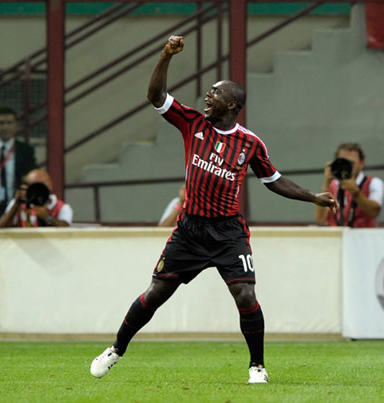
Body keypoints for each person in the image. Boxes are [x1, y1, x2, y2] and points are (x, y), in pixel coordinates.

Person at [90, 36, 339, 383]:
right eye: (209, 91)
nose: (208, 95)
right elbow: (156, 97)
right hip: (189, 230)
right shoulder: (193, 123)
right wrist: (165, 55)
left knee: (245, 294)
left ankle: (257, 368)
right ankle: (115, 349)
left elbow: (274, 180)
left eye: (216, 92)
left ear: (233, 104)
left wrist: (314, 196)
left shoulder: (250, 143)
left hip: (228, 233)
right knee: (155, 293)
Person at [315, 142, 382, 227]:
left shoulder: (373, 183)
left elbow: (373, 213)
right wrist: (326, 185)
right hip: (337, 237)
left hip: (364, 237)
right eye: (342, 162)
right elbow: (320, 220)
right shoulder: (332, 185)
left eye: (351, 163)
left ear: (361, 163)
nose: (346, 167)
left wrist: (355, 192)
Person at [0, 169, 73, 228]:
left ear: (50, 184)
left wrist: (47, 217)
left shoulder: (62, 207)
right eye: (33, 186)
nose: (38, 190)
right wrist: (17, 203)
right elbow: (0, 228)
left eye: (42, 185)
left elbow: (65, 230)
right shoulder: (18, 204)